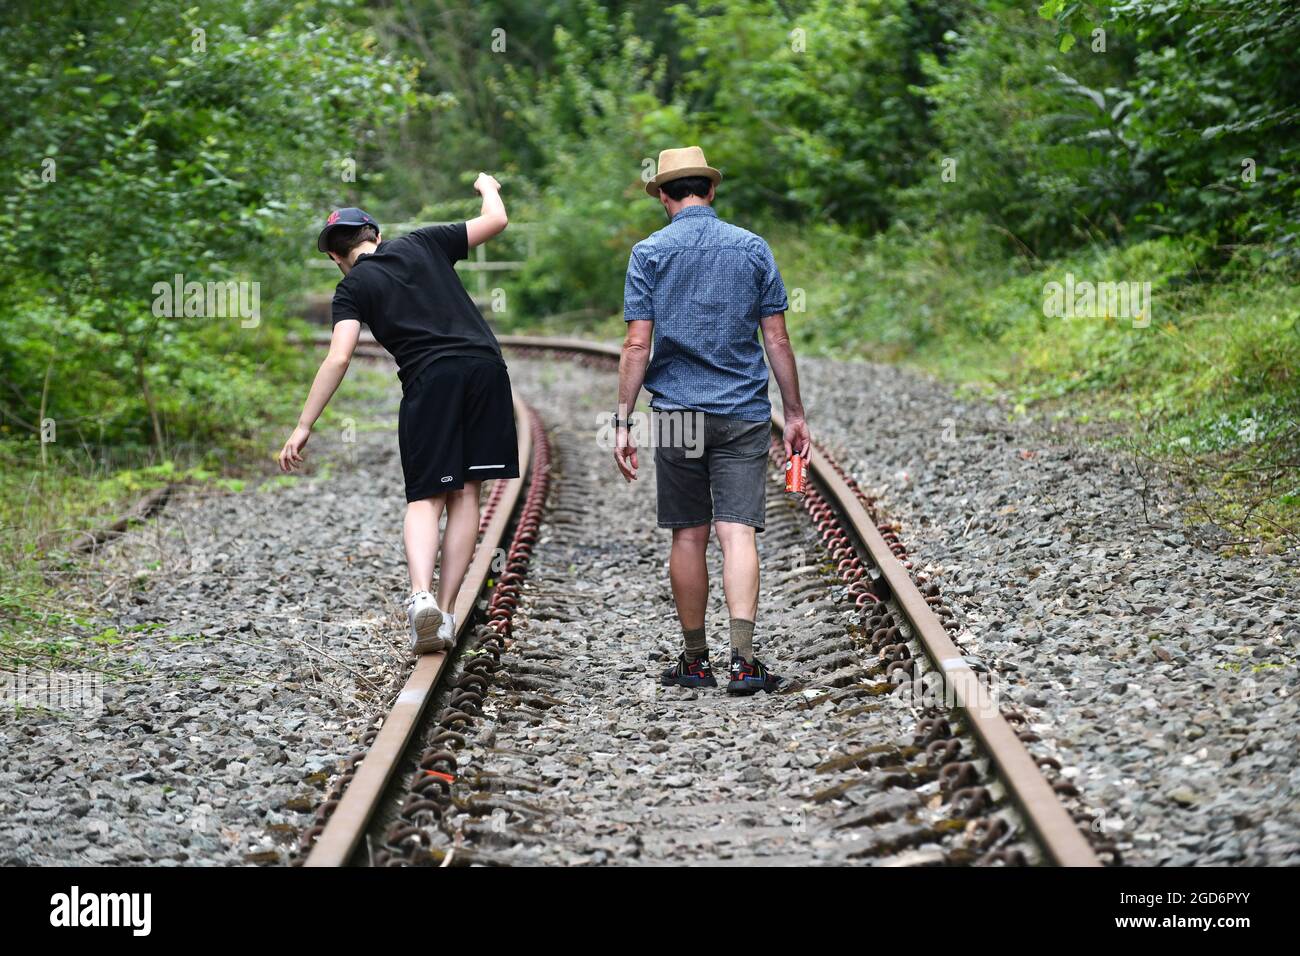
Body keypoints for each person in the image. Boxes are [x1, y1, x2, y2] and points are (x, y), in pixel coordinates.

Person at [277, 174, 515, 654]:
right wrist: (487, 185)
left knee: (427, 497)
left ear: (335, 257)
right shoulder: (425, 241)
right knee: (468, 493)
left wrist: (304, 425)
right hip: (487, 370)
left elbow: (339, 357)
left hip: (432, 382)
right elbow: (497, 219)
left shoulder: (351, 289)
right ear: (376, 235)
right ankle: (444, 614)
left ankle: (421, 596)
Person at [614, 146, 811, 695]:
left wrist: (622, 420)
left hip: (676, 413)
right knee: (737, 531)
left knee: (689, 534)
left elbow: (636, 344)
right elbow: (777, 337)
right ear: (712, 190)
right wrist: (793, 414)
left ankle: (696, 661)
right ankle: (744, 663)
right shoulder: (752, 248)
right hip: (744, 411)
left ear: (663, 196)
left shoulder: (648, 252)